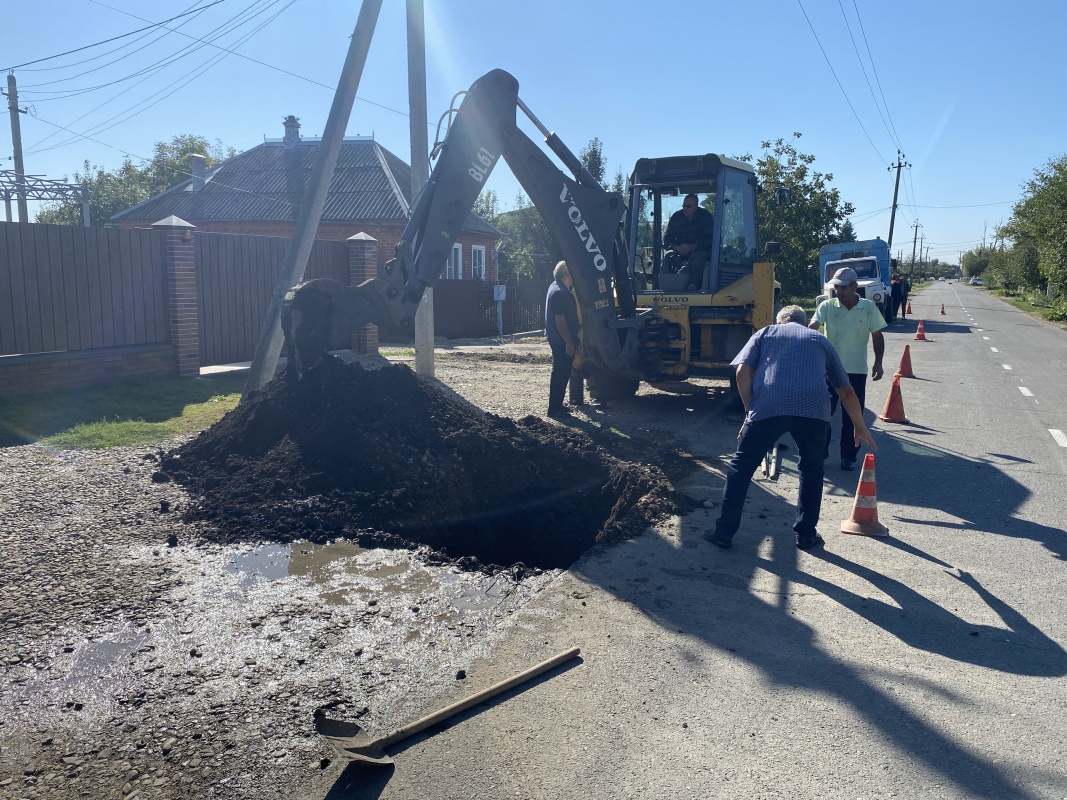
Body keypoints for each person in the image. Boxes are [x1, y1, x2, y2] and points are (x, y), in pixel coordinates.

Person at [705, 305, 876, 551]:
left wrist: (749, 409)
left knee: (740, 469)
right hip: (814, 410)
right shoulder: (819, 339)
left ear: (779, 322)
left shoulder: (765, 333)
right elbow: (846, 391)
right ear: (805, 324)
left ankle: (724, 532)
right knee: (812, 469)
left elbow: (742, 371)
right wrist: (859, 427)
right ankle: (806, 535)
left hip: (768, 408)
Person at [809, 267, 886, 471]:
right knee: (822, 413)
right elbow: (813, 328)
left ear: (854, 286)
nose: (838, 291)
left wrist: (878, 363)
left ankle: (848, 456)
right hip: (828, 370)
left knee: (853, 416)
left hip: (856, 371)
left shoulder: (868, 308)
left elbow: (877, 336)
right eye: (835, 287)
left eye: (842, 287)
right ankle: (820, 452)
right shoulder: (827, 306)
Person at [545, 261, 580, 418]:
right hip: (561, 341)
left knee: (561, 373)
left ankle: (557, 406)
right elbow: (560, 321)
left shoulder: (554, 287)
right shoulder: (560, 293)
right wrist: (569, 342)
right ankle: (554, 409)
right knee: (560, 374)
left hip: (556, 338)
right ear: (566, 273)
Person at [662, 193, 713, 291]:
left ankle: (693, 287)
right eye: (684, 206)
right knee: (669, 255)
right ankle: (667, 288)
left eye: (688, 206)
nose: (685, 208)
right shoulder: (676, 217)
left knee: (698, 257)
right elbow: (667, 239)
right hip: (678, 252)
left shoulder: (705, 217)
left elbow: (711, 240)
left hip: (699, 251)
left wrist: (692, 247)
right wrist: (676, 247)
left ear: (696, 206)